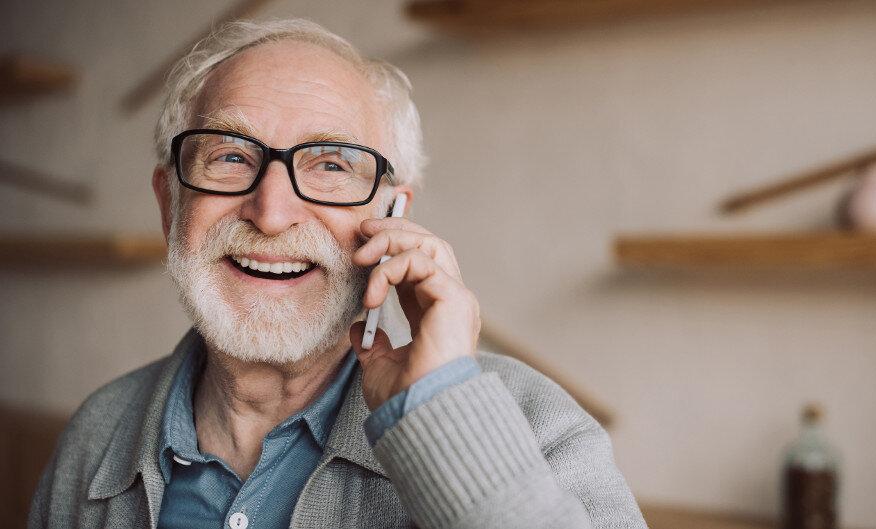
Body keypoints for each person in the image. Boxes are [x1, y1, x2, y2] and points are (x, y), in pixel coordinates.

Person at [29, 18, 647, 529]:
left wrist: (442, 417)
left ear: (394, 214)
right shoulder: (95, 436)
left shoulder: (539, 425)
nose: (271, 214)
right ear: (171, 206)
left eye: (330, 165)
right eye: (230, 156)